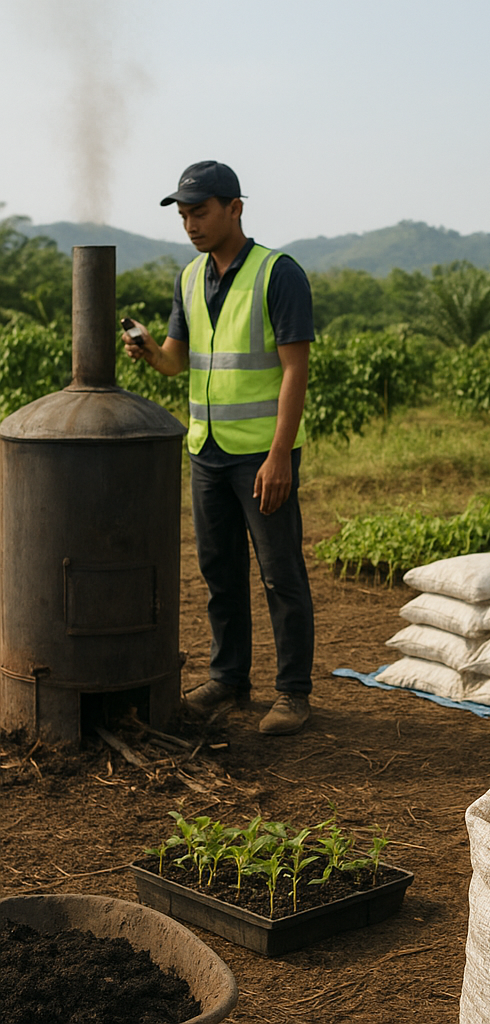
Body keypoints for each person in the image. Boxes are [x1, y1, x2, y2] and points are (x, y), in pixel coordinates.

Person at [123, 160, 316, 736]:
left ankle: (293, 694)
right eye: (183, 214)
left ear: (235, 208)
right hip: (206, 450)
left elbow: (295, 368)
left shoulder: (277, 273)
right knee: (219, 571)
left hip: (262, 455)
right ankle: (228, 678)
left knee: (280, 573)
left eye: (200, 212)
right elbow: (177, 362)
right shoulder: (188, 278)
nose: (191, 224)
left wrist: (280, 455)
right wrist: (150, 351)